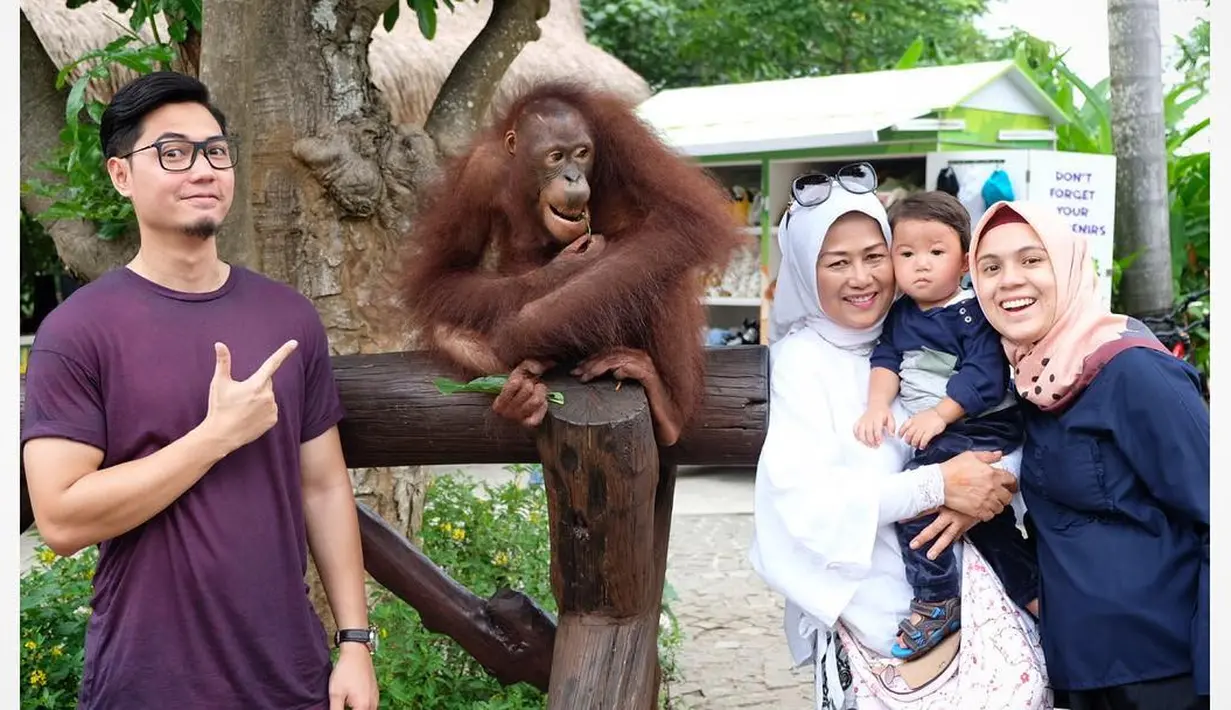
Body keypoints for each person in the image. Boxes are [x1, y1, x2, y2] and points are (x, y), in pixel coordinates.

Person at [21, 71, 380, 710]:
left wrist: (354, 642)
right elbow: (61, 518)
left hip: (288, 675)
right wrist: (213, 440)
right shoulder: (77, 331)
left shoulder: (288, 317)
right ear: (121, 175)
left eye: (215, 150)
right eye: (173, 153)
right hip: (146, 680)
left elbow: (323, 486)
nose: (203, 169)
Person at [749, 167, 1050, 710]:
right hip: (880, 622)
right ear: (802, 268)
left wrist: (985, 488)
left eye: (874, 255)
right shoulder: (803, 361)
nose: (862, 278)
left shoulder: (922, 324)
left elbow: (1010, 422)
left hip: (981, 604)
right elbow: (805, 501)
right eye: (836, 262)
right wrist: (939, 486)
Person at [968, 201, 1209, 710]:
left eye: (1032, 260)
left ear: (1071, 265)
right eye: (990, 267)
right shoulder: (1028, 382)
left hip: (1166, 674)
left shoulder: (1133, 372)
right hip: (1078, 671)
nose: (1009, 280)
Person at [852, 191, 1038, 660]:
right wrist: (877, 406)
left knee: (919, 498)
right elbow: (886, 360)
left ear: (964, 261)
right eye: (906, 253)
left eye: (936, 252)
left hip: (981, 426)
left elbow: (985, 375)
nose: (920, 265)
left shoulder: (973, 313)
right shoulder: (900, 315)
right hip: (947, 431)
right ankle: (1033, 592)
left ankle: (935, 598)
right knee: (988, 527)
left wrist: (938, 415)